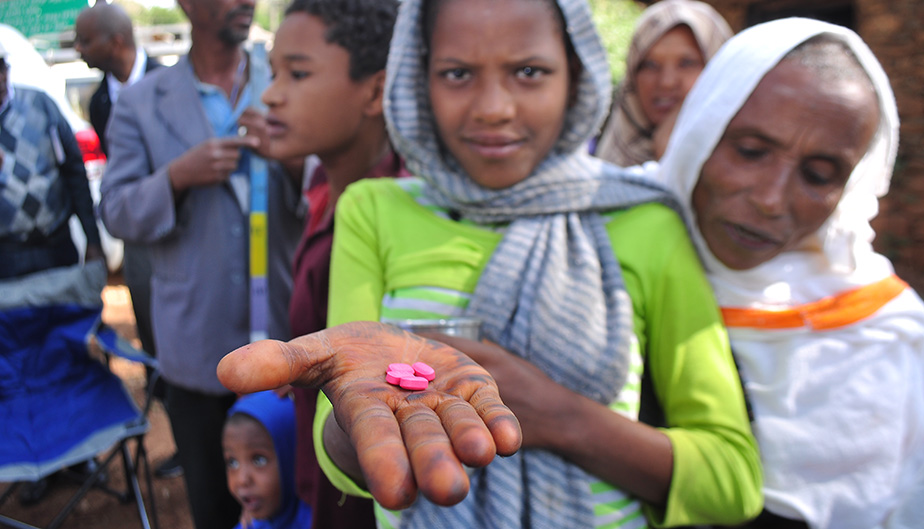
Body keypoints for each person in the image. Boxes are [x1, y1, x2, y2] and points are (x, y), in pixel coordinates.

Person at [218, 0, 763, 527]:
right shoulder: (373, 210)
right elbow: (339, 456)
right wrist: (354, 411)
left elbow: (733, 478)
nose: (494, 108)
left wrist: (558, 416)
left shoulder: (645, 224)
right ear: (417, 80)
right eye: (457, 74)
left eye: (529, 71)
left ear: (575, 75)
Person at [654, 17, 924, 529]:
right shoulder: (600, 247)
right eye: (751, 151)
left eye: (819, 175)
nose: (772, 199)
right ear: (701, 130)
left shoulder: (885, 330)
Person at [98, 0, 307, 526]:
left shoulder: (291, 81)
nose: (245, 3)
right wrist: (175, 178)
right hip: (197, 350)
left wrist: (294, 157)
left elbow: (334, 185)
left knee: (300, 496)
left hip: (289, 342)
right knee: (215, 505)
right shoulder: (142, 103)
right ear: (187, 5)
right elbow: (117, 210)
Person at [261, 0, 403, 527]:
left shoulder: (397, 216)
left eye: (297, 74)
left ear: (375, 90)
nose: (270, 94)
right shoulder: (323, 187)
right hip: (320, 470)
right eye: (274, 72)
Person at [73, 1, 181, 480]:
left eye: (85, 41)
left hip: (184, 238)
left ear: (114, 42)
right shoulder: (98, 101)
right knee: (157, 343)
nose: (78, 49)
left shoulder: (174, 84)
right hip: (139, 245)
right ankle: (186, 442)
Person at [0, 37, 108, 507]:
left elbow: (75, 179)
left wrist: (95, 241)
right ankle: (36, 459)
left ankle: (76, 453)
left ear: (3, 71)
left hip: (55, 248)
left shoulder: (40, 107)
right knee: (21, 355)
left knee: (66, 344)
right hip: (6, 259)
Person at [594, 0, 731, 166]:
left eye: (687, 63)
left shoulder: (745, 162)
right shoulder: (603, 172)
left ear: (717, 68)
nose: (666, 82)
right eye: (650, 65)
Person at [223, 391, 313, 529]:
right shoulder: (249, 525)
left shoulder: (323, 521)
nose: (242, 479)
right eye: (232, 462)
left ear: (293, 456)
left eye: (259, 460)